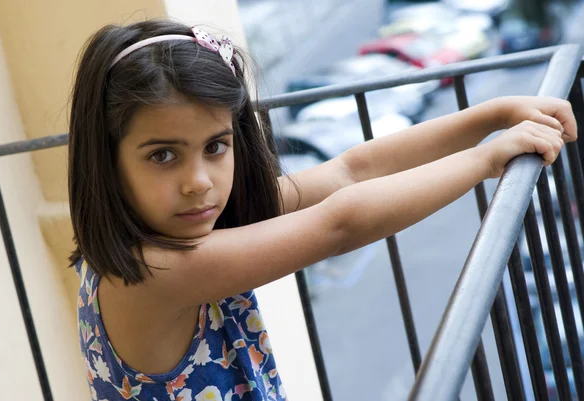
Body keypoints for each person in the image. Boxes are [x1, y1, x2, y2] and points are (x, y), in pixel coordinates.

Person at [70, 19, 576, 401]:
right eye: (163, 155)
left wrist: (492, 115)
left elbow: (351, 171)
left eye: (215, 146)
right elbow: (340, 222)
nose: (198, 181)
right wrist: (484, 159)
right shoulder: (154, 272)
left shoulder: (179, 235)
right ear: (107, 164)